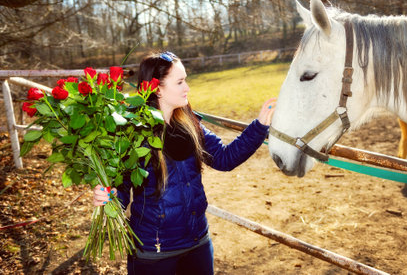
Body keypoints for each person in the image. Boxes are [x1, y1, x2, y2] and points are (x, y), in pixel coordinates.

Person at [93, 51, 276, 275]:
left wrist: (258, 126)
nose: (187, 87)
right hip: (154, 252)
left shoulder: (190, 123)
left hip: (198, 242)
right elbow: (120, 190)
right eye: (180, 82)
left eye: (185, 80)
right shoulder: (132, 132)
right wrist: (107, 197)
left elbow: (224, 158)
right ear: (157, 89)